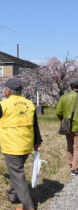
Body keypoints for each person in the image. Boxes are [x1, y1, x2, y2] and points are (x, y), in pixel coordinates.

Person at [0, 78, 42, 210]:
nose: (3, 90)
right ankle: (13, 195)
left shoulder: (3, 104)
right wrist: (37, 142)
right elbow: (35, 125)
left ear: (7, 90)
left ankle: (29, 206)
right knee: (16, 171)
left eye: (4, 88)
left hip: (11, 146)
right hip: (26, 145)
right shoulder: (29, 104)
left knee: (17, 174)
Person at [56, 79, 78, 175]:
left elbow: (58, 112)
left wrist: (63, 119)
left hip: (67, 126)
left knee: (70, 146)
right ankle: (75, 168)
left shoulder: (63, 98)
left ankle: (71, 164)